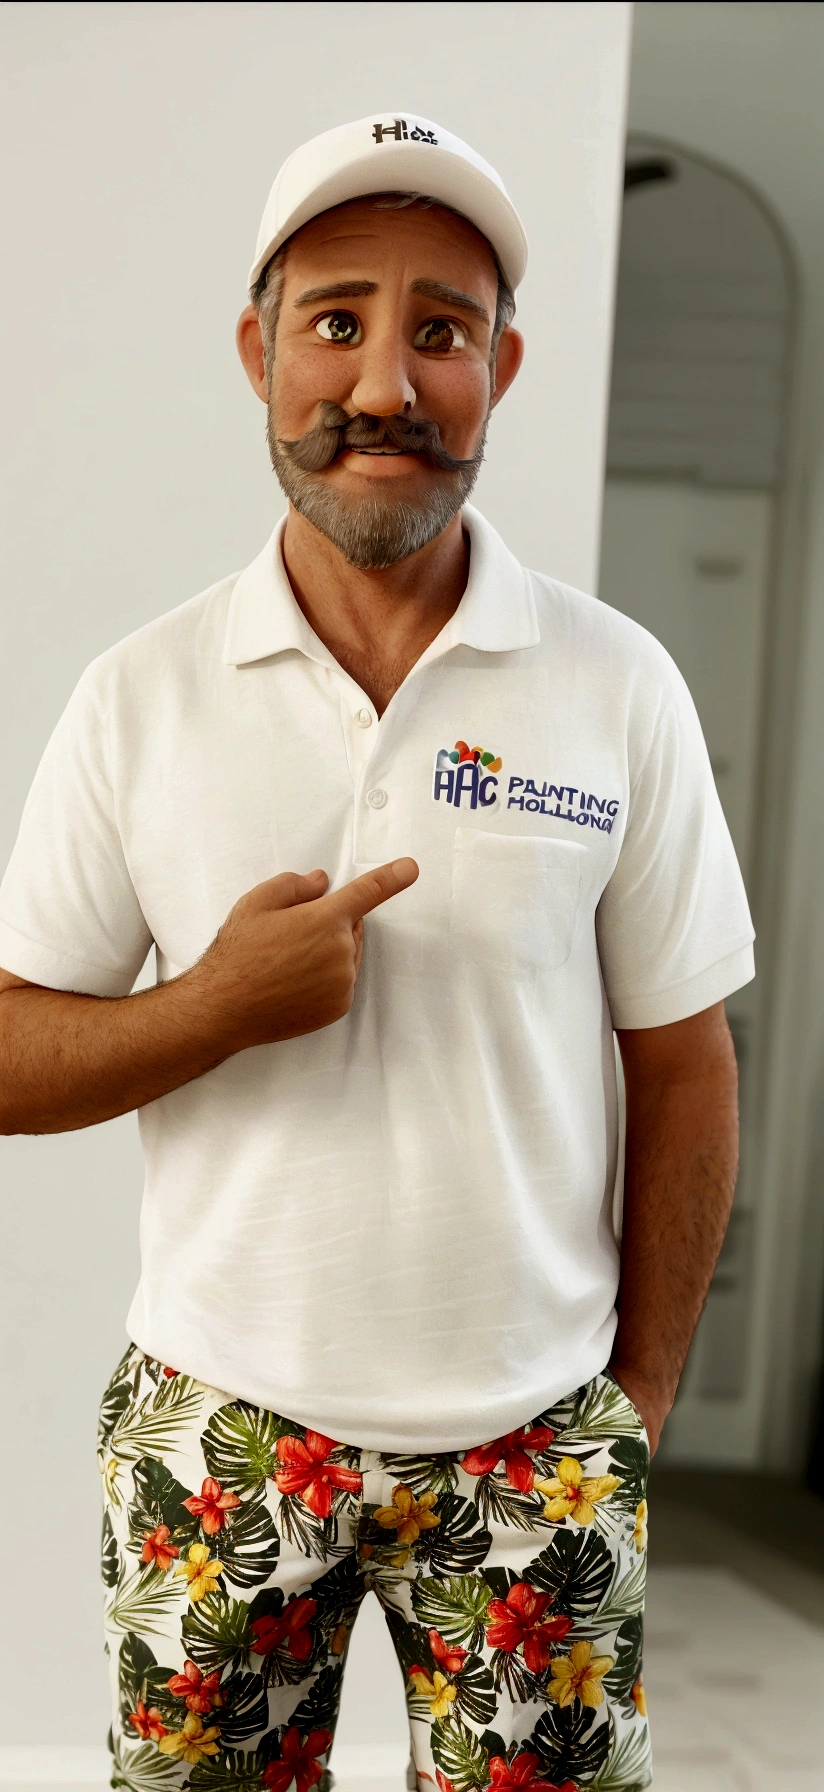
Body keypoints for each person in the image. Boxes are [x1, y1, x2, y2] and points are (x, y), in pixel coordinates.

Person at [0, 112, 752, 1792]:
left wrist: (634, 1400)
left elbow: (687, 1061)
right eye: (338, 319)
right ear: (261, 349)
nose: (388, 385)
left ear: (505, 366)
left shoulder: (617, 685)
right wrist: (210, 1008)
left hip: (535, 1444)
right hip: (218, 1429)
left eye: (443, 330)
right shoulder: (141, 696)